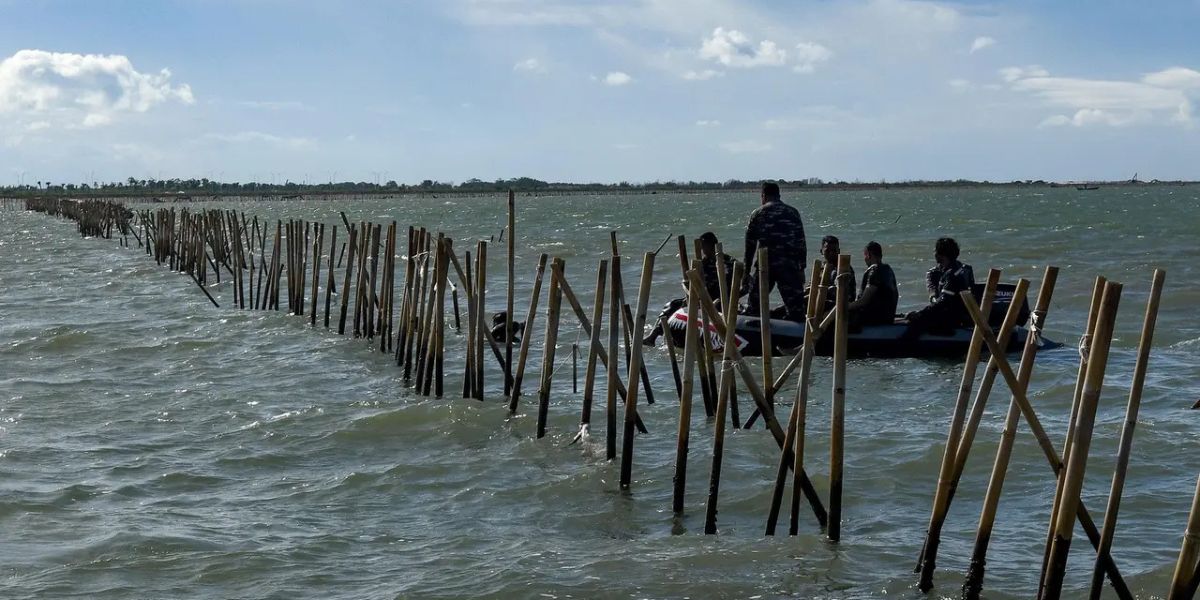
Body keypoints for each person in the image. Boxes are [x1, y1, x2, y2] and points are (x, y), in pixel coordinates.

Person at [642, 231, 734, 345]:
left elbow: (745, 285)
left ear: (713, 245)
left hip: (721, 300)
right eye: (702, 248)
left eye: (705, 247)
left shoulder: (729, 262)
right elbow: (695, 282)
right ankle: (653, 336)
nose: (703, 250)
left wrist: (728, 297)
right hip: (703, 298)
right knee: (673, 305)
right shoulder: (703, 262)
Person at [743, 182, 807, 320]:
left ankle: (757, 333)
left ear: (763, 196)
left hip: (765, 266)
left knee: (754, 307)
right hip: (789, 265)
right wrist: (802, 268)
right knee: (797, 310)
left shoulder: (757, 214)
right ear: (779, 195)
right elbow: (801, 243)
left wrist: (746, 272)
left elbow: (750, 247)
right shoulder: (793, 213)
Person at [903, 237, 974, 337]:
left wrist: (920, 313)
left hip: (952, 319)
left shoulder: (951, 275)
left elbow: (943, 302)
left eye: (935, 251)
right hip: (963, 316)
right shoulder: (963, 270)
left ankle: (902, 346)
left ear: (941, 254)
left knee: (916, 323)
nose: (934, 253)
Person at [847, 241, 898, 327]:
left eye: (865, 256)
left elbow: (863, 301)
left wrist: (845, 306)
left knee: (838, 310)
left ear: (868, 255)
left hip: (875, 319)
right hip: (888, 317)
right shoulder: (888, 270)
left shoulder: (875, 271)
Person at [808, 235, 855, 309]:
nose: (831, 254)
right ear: (821, 251)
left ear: (838, 251)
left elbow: (837, 291)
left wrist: (819, 290)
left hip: (841, 305)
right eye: (828, 251)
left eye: (834, 251)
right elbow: (811, 286)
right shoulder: (820, 268)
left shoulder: (843, 268)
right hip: (824, 299)